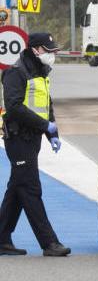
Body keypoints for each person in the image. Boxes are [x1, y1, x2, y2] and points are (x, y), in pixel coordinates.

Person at [0, 33, 70, 257]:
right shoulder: (16, 72)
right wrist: (44, 125)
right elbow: (14, 108)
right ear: (36, 50)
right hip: (18, 139)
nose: (52, 55)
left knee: (17, 189)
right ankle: (49, 242)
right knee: (31, 188)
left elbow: (46, 105)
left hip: (33, 139)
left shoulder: (41, 73)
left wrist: (53, 134)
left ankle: (1, 239)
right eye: (49, 51)